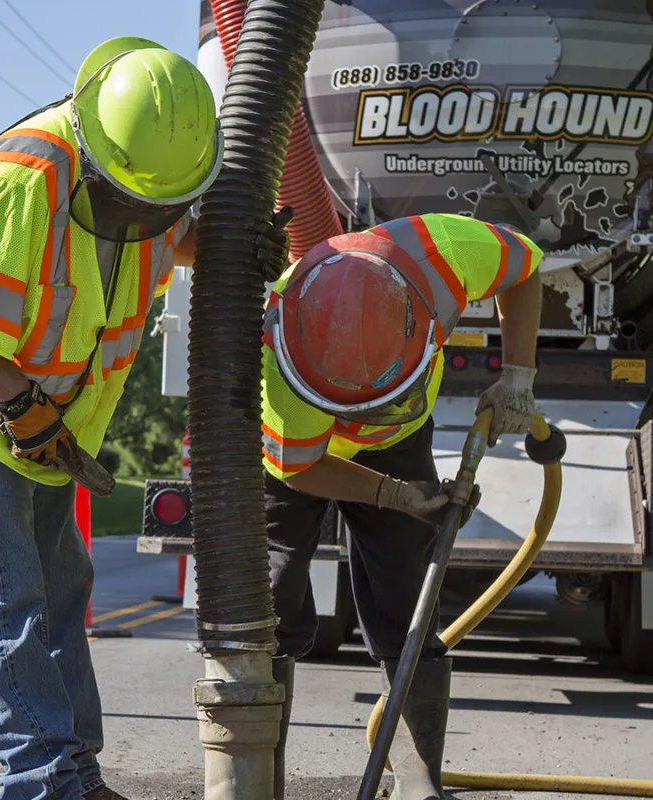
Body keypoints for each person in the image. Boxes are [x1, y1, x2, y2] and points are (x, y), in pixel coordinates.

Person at [0, 36, 223, 800]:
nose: (143, 216)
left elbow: (169, 235)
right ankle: (41, 785)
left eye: (159, 205)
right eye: (131, 199)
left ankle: (75, 775)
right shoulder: (23, 173)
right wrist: (20, 403)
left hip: (43, 418)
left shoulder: (152, 173)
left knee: (63, 592)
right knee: (4, 595)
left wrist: (233, 242)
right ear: (97, 151)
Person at [259, 209, 545, 800]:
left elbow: (525, 268)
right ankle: (255, 779)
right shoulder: (276, 350)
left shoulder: (442, 255)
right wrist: (391, 495)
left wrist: (518, 373)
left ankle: (417, 780)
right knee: (268, 600)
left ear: (424, 324)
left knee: (407, 601)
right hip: (300, 457)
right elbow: (299, 464)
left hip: (398, 444)